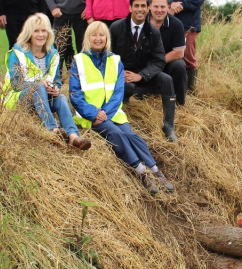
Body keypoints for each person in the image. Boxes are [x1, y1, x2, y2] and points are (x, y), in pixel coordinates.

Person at [70, 21, 174, 194]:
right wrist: (95, 113)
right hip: (90, 114)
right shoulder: (79, 61)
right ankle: (141, 172)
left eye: (101, 34)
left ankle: (155, 170)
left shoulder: (115, 60)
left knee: (130, 134)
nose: (98, 38)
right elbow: (74, 94)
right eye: (94, 35)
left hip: (112, 112)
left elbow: (118, 92)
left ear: (106, 38)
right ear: (88, 38)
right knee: (116, 134)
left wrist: (106, 113)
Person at [2, 13, 91, 150]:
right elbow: (16, 84)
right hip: (18, 99)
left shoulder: (52, 54)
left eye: (44, 31)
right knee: (38, 86)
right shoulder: (17, 53)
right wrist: (39, 84)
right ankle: (53, 129)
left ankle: (73, 137)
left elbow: (57, 80)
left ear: (48, 33)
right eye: (36, 31)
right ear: (28, 33)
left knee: (60, 97)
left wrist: (55, 88)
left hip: (43, 99)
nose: (40, 35)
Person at [110, 0, 177, 142]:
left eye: (143, 6)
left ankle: (169, 127)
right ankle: (122, 110)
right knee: (128, 88)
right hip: (121, 74)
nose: (140, 9)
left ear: (148, 9)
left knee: (166, 80)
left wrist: (141, 75)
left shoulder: (153, 31)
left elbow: (159, 60)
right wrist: (120, 73)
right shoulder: (116, 27)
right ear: (130, 8)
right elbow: (108, 54)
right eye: (136, 6)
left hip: (143, 74)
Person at [156, 0, 206, 93]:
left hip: (189, 23)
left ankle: (190, 90)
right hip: (168, 23)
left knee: (189, 56)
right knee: (169, 55)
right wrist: (170, 4)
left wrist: (181, 5)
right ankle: (170, 88)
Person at [149, 0, 188, 106]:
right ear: (150, 7)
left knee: (180, 66)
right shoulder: (141, 22)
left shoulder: (177, 24)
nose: (159, 10)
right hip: (145, 63)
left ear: (168, 7)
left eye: (163, 7)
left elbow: (178, 53)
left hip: (167, 63)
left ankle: (178, 103)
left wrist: (157, 63)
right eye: (156, 6)